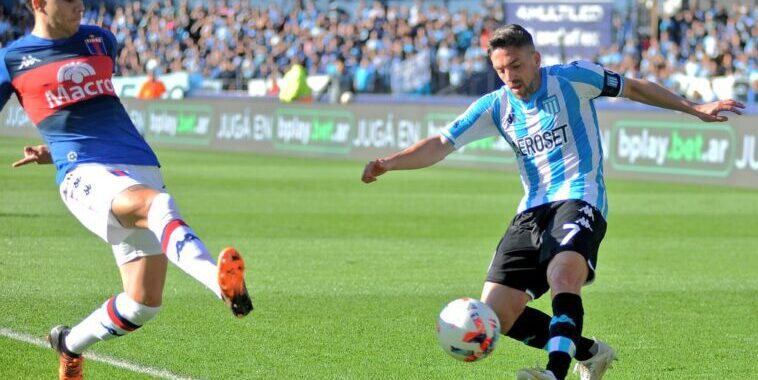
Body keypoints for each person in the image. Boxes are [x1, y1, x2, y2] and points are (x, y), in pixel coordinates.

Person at [361, 24, 744, 380]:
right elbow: (441, 144)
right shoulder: (496, 105)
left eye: (515, 65)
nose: (510, 77)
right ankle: (591, 352)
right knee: (498, 315)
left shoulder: (573, 79)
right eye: (501, 70)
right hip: (531, 212)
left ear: (536, 59)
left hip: (580, 197)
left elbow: (635, 88)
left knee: (563, 275)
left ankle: (554, 372)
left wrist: (693, 109)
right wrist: (390, 163)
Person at [2, 1, 254, 379]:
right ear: (38, 3)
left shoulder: (101, 41)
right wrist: (58, 151)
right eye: (67, 0)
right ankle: (223, 288)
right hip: (82, 174)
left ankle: (69, 345)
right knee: (159, 206)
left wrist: (47, 150)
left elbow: (88, 108)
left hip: (139, 165)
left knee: (142, 304)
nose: (79, 6)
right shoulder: (12, 59)